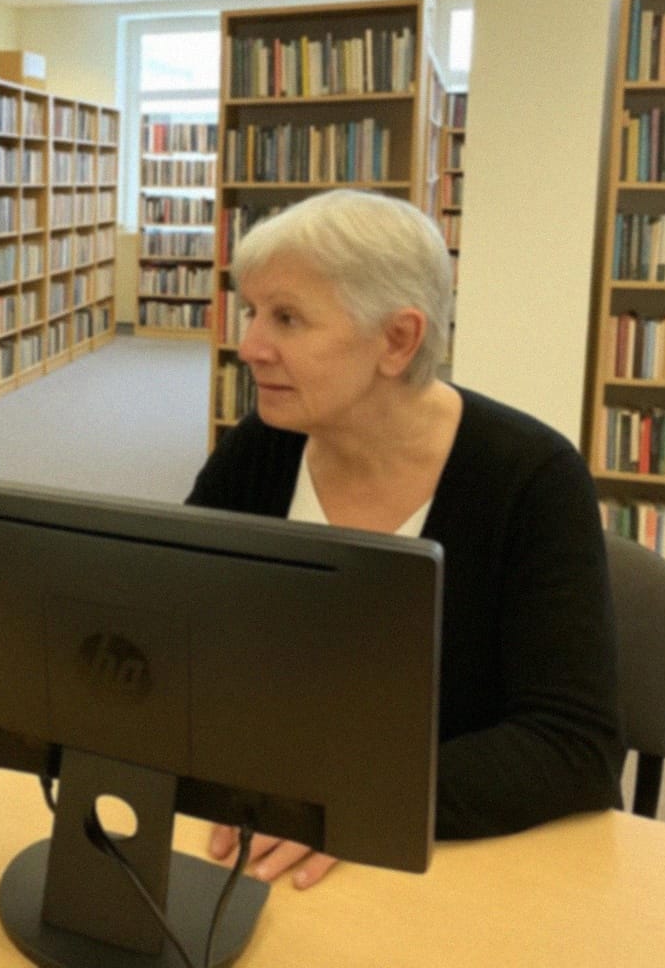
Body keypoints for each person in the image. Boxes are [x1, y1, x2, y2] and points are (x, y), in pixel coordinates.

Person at [188, 189, 624, 888]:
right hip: (270, 836)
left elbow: (573, 747)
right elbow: (182, 630)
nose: (250, 346)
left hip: (458, 859)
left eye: (287, 318)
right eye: (252, 311)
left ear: (397, 340)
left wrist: (357, 793)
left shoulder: (532, 479)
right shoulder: (261, 451)